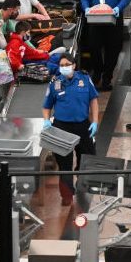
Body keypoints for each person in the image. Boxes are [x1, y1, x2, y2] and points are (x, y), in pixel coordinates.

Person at [42, 52, 99, 203]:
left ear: (74, 65)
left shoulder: (85, 79)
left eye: (67, 65)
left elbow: (93, 100)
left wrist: (95, 121)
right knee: (64, 164)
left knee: (87, 158)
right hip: (61, 128)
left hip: (83, 126)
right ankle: (67, 195)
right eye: (61, 65)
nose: (64, 67)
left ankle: (82, 183)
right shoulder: (55, 83)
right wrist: (47, 121)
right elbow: (47, 106)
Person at [80, 0, 130, 91]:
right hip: (95, 20)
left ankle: (107, 77)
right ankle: (97, 73)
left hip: (113, 19)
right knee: (94, 47)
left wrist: (118, 8)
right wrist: (87, 9)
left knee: (113, 49)